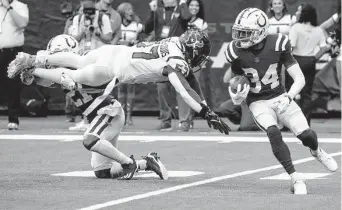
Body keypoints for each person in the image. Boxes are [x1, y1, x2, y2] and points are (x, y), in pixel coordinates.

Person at [19, 34, 169, 180]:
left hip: (108, 112)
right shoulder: (63, 69)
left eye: (59, 55)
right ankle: (147, 163)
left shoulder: (88, 64)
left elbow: (93, 82)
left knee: (90, 140)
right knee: (103, 171)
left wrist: (35, 69)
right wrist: (28, 73)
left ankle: (128, 163)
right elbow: (44, 81)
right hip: (98, 115)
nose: (56, 60)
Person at [225, 8, 338, 194]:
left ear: (260, 31)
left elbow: (300, 78)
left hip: (280, 96)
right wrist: (236, 94)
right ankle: (295, 177)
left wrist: (289, 96)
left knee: (306, 135)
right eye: (239, 32)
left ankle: (316, 151)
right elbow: (233, 79)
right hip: (258, 102)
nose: (240, 38)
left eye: (246, 33)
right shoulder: (235, 51)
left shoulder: (278, 43)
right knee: (273, 132)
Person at [145, 0, 193, 131]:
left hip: (177, 53)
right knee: (162, 89)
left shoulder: (180, 10)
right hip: (162, 54)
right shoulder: (159, 11)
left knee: (181, 87)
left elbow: (188, 17)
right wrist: (152, 12)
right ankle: (165, 120)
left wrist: (183, 4)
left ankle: (184, 121)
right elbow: (147, 28)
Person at [287, 4, 327, 125]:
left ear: (302, 14)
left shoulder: (296, 28)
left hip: (295, 60)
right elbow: (324, 48)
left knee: (291, 91)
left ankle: (290, 123)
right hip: (310, 61)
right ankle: (305, 123)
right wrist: (314, 58)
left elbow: (291, 46)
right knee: (307, 93)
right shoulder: (318, 30)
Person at [0, 0, 29, 130]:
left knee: (13, 85)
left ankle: (13, 119)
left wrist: (8, 7)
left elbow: (22, 23)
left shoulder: (20, 6)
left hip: (12, 52)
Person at [116, 2, 144, 126]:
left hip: (132, 59)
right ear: (122, 12)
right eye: (127, 10)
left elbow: (147, 35)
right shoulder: (116, 24)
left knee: (130, 87)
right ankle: (121, 116)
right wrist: (120, 42)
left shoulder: (137, 25)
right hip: (119, 59)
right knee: (120, 87)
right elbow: (112, 39)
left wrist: (138, 42)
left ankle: (129, 116)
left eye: (131, 9)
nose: (130, 12)